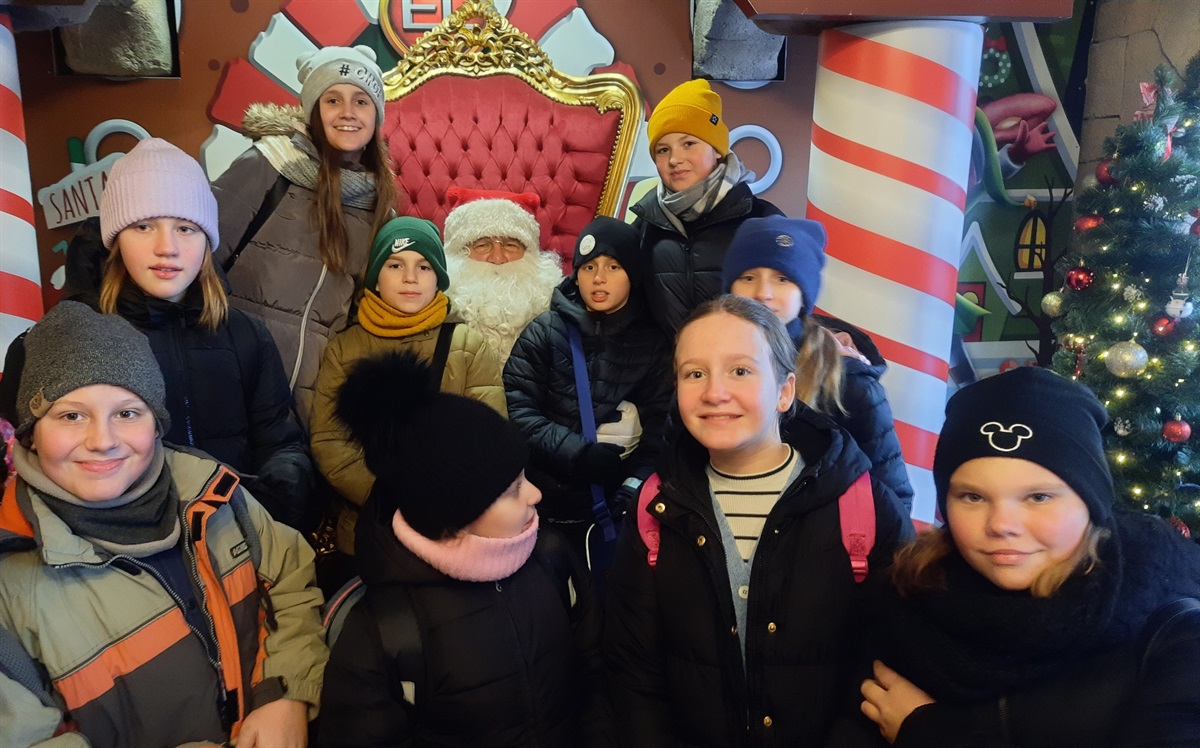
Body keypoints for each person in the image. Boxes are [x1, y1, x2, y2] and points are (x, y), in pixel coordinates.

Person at [0, 301, 327, 748]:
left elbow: (290, 578)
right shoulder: (10, 586)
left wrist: (285, 692)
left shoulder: (215, 494)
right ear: (31, 433)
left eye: (127, 413)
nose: (102, 441)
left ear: (156, 424)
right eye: (71, 415)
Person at [604, 295, 913, 747]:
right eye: (694, 374)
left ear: (785, 391)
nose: (714, 392)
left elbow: (892, 656)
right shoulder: (656, 506)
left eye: (740, 370)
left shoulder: (862, 503)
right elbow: (633, 668)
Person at [849, 367, 1200, 746]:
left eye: (1038, 497)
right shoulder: (906, 597)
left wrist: (928, 733)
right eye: (972, 497)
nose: (1001, 525)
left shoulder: (1172, 630)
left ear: (1091, 504)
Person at [318, 352, 609, 747]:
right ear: (453, 514)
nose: (535, 494)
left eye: (524, 477)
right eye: (512, 490)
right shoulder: (382, 632)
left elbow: (595, 674)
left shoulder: (553, 556)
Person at [87, 136, 314, 531]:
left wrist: (282, 488)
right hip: (133, 547)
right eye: (144, 226)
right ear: (116, 238)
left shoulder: (247, 336)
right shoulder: (83, 339)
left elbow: (280, 442)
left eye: (186, 228)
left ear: (206, 240)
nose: (167, 247)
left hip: (236, 534)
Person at [212, 45, 399, 428]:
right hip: (234, 376)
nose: (348, 112)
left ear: (375, 116)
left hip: (311, 400)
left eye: (361, 101)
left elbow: (362, 310)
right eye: (333, 100)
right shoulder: (268, 164)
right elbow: (202, 256)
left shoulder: (379, 207)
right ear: (314, 109)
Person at [310, 216, 504, 555]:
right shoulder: (344, 348)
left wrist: (439, 499)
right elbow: (330, 442)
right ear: (376, 278)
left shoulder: (468, 346)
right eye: (395, 264)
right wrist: (389, 497)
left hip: (448, 531)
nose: (410, 277)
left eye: (424, 267)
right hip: (368, 532)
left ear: (439, 278)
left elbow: (490, 437)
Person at [504, 216, 672, 560]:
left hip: (609, 511)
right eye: (589, 267)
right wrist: (577, 454)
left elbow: (660, 431)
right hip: (537, 502)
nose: (599, 278)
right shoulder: (544, 331)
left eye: (613, 267)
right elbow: (518, 411)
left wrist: (631, 490)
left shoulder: (654, 345)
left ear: (633, 274)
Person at [723, 215, 914, 514]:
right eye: (748, 278)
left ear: (804, 293)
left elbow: (893, 498)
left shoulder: (848, 379)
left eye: (782, 279)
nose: (763, 293)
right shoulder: (704, 367)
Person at [633, 79, 782, 336]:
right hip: (667, 362)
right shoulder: (644, 225)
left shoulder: (763, 221)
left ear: (717, 150)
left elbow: (788, 318)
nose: (675, 159)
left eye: (688, 144)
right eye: (663, 150)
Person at [441, 188, 565, 365]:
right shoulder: (432, 310)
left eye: (511, 245)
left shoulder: (557, 313)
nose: (498, 258)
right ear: (457, 254)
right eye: (482, 245)